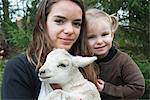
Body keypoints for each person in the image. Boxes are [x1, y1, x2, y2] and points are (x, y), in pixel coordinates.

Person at [2, 0, 97, 99]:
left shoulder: (86, 66)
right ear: (42, 23)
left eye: (76, 24)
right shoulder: (20, 68)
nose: (70, 30)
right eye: (59, 21)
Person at [86, 8, 145, 99]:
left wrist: (107, 89)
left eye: (104, 34)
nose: (99, 41)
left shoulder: (123, 60)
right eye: (91, 37)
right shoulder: (83, 61)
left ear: (112, 35)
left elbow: (138, 88)